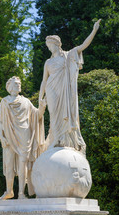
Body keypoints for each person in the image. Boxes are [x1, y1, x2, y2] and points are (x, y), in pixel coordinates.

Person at [39, 19, 101, 155]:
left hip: (64, 90)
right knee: (54, 114)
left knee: (65, 114)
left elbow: (83, 45)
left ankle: (64, 140)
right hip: (51, 89)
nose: (49, 48)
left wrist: (94, 30)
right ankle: (56, 139)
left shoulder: (68, 55)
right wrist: (40, 97)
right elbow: (44, 80)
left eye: (51, 45)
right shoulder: (48, 62)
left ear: (57, 44)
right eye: (48, 46)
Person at [0, 76, 46, 200]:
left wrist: (42, 107)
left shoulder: (26, 101)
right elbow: (1, 122)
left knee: (22, 164)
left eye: (19, 84)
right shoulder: (5, 101)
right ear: (9, 87)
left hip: (25, 136)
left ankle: (21, 194)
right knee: (9, 164)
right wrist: (1, 137)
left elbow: (37, 116)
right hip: (9, 136)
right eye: (15, 84)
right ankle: (9, 191)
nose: (18, 85)